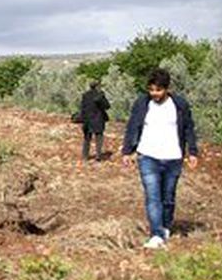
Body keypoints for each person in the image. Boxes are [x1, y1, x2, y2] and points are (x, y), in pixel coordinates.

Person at [121, 68, 199, 249]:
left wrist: (192, 152)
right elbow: (132, 126)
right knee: (153, 197)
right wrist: (127, 151)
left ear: (167, 88)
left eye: (158, 90)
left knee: (168, 197)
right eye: (151, 90)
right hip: (148, 156)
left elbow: (188, 128)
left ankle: (165, 226)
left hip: (173, 157)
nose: (154, 94)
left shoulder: (179, 104)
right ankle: (156, 234)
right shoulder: (142, 103)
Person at [78, 81, 110, 164]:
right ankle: (98, 156)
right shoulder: (100, 95)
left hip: (87, 119)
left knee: (87, 138)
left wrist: (82, 118)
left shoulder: (85, 95)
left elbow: (82, 108)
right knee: (99, 138)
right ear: (97, 86)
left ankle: (85, 156)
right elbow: (107, 106)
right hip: (98, 119)